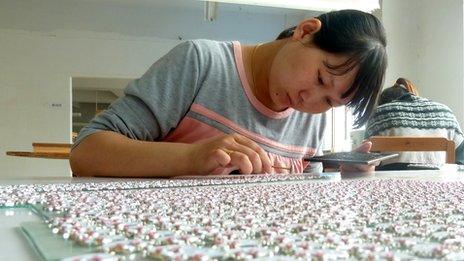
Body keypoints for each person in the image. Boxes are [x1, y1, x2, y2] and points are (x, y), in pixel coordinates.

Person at [70, 9, 387, 177]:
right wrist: (192, 157)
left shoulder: (312, 119)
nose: (310, 100)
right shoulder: (200, 63)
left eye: (331, 101)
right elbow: (87, 152)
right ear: (304, 31)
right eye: (319, 77)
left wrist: (342, 172)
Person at [365, 78, 464, 168]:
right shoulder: (445, 112)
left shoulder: (378, 114)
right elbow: (461, 157)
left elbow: (367, 161)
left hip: (392, 182)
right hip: (440, 182)